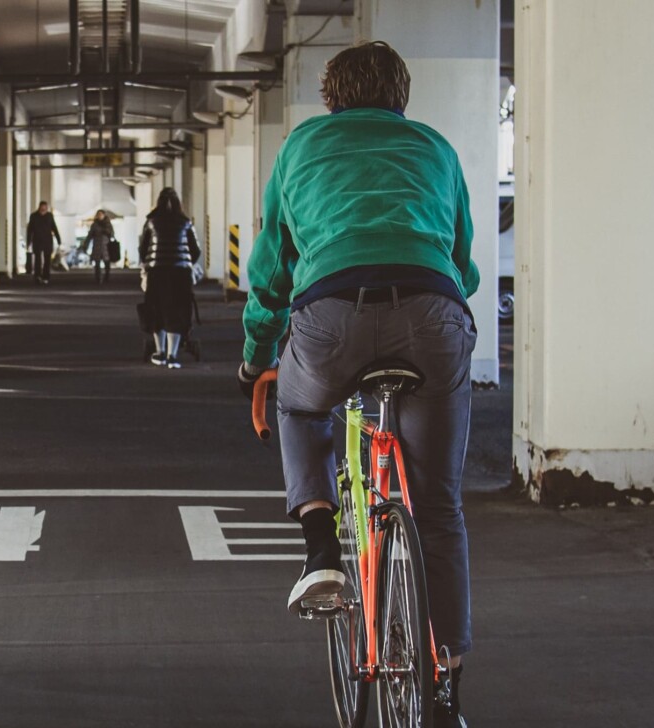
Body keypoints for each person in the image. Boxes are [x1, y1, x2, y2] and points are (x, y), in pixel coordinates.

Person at [235, 42, 478, 727]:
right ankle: (448, 687)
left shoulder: (303, 147)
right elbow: (465, 263)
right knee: (439, 509)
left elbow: (270, 276)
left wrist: (256, 357)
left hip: (332, 315)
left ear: (330, 95)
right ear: (401, 94)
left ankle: (321, 552)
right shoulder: (435, 148)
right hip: (433, 313)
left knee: (300, 405)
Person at [140, 187, 201, 369]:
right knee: (177, 310)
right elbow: (195, 250)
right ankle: (172, 355)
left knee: (157, 310)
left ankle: (159, 352)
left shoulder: (151, 222)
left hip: (156, 273)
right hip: (179, 274)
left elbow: (143, 250)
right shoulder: (185, 222)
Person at [26, 201, 61, 284]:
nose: (43, 210)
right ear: (39, 207)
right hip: (37, 240)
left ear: (47, 208)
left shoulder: (49, 216)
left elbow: (54, 228)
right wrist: (29, 242)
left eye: (45, 208)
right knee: (37, 259)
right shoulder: (33, 216)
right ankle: (37, 276)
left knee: (47, 260)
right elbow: (30, 230)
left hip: (47, 241)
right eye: (42, 208)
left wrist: (59, 239)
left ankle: (46, 277)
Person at [87, 209, 115, 284]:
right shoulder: (94, 224)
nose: (99, 216)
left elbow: (112, 233)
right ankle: (98, 278)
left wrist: (106, 232)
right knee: (97, 262)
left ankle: (106, 276)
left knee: (107, 262)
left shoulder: (108, 224)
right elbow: (90, 235)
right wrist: (86, 244)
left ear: (104, 215)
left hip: (106, 246)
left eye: (101, 214)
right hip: (97, 245)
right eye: (98, 214)